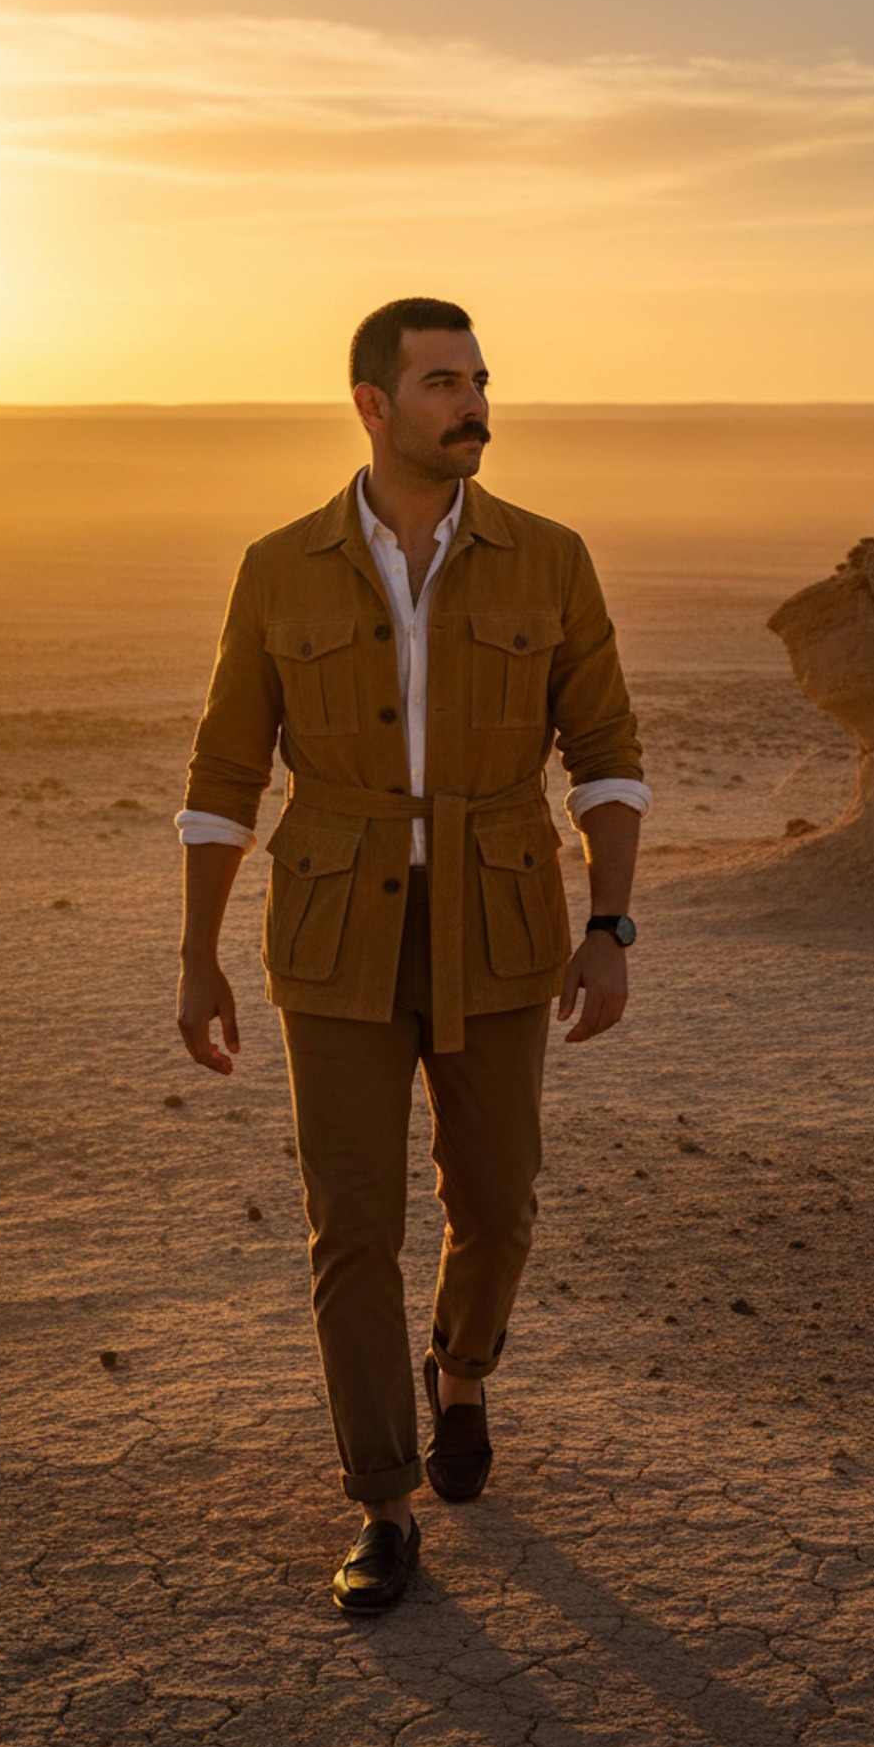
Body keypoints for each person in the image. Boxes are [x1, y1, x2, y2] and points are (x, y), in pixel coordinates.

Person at [173, 297, 649, 1614]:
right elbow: (224, 769)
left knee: (497, 1201)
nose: (475, 401)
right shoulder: (279, 568)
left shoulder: (550, 559)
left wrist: (609, 926)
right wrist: (197, 955)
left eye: (482, 378)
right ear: (374, 406)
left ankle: (463, 1379)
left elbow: (608, 757)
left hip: (500, 921)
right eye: (445, 382)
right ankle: (382, 1503)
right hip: (334, 930)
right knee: (353, 1227)